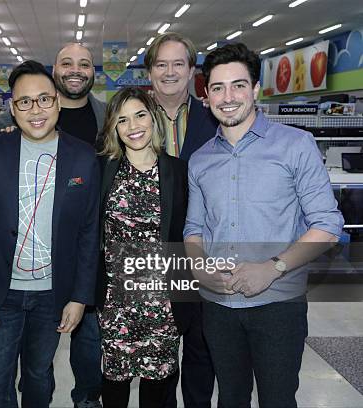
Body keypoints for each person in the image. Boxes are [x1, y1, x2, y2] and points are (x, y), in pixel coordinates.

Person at [184, 43, 344, 407]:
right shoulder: (200, 160)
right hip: (218, 306)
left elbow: (328, 223)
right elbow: (193, 227)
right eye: (218, 88)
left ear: (255, 90)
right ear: (206, 96)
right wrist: (198, 266)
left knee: (276, 399)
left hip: (278, 306)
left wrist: (273, 268)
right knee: (231, 397)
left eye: (238, 85)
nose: (228, 97)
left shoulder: (296, 146)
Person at [0, 60, 100, 408]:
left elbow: (88, 233)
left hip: (52, 296)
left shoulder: (83, 157)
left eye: (43, 100)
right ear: (13, 107)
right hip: (1, 293)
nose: (35, 110)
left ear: (57, 102)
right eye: (25, 102)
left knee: (39, 376)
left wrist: (79, 297)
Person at [96, 87, 186, 407]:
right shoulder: (102, 170)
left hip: (163, 305)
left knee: (156, 389)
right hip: (115, 302)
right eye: (122, 120)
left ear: (153, 118)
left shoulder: (177, 171)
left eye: (140, 115)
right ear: (114, 129)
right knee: (115, 385)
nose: (133, 126)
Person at [144, 32, 218, 407]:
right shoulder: (131, 118)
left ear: (192, 71)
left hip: (204, 249)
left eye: (178, 63)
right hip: (151, 255)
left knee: (202, 350)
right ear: (150, 71)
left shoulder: (216, 119)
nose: (169, 72)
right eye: (161, 64)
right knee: (158, 353)